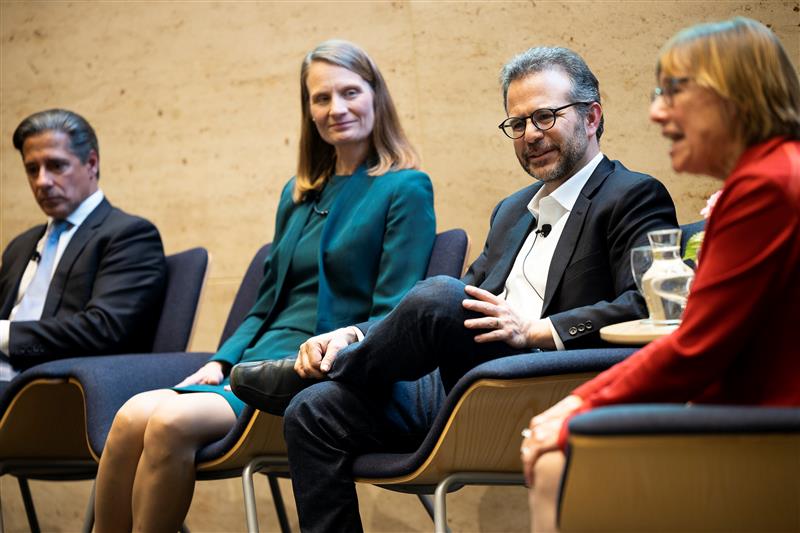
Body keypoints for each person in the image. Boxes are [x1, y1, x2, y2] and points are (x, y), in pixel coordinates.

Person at [231, 46, 678, 531]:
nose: (530, 135)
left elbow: (646, 306)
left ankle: (324, 371)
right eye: (517, 123)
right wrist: (353, 334)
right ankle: (336, 368)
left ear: (591, 117)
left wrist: (536, 331)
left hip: (543, 381)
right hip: (463, 383)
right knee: (312, 412)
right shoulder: (512, 209)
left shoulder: (632, 194)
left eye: (546, 117)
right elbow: (450, 307)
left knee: (439, 294)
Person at [93, 39, 436, 532]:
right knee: (129, 419)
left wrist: (335, 353)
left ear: (376, 97)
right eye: (321, 98)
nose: (336, 108)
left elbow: (393, 309)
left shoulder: (405, 188)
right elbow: (266, 300)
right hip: (255, 359)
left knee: (169, 423)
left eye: (350, 92)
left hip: (311, 370)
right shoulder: (297, 194)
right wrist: (219, 360)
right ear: (309, 110)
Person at [521, 17, 800, 532]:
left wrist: (577, 403)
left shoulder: (766, 185)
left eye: (673, 92)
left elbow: (696, 349)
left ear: (732, 94)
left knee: (559, 456)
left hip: (771, 433)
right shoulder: (779, 172)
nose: (656, 112)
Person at [0, 109, 166, 383]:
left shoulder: (129, 235)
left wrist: (6, 336)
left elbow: (103, 329)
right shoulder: (21, 245)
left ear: (91, 163)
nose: (42, 181)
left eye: (56, 165)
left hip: (57, 387)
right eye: (32, 169)